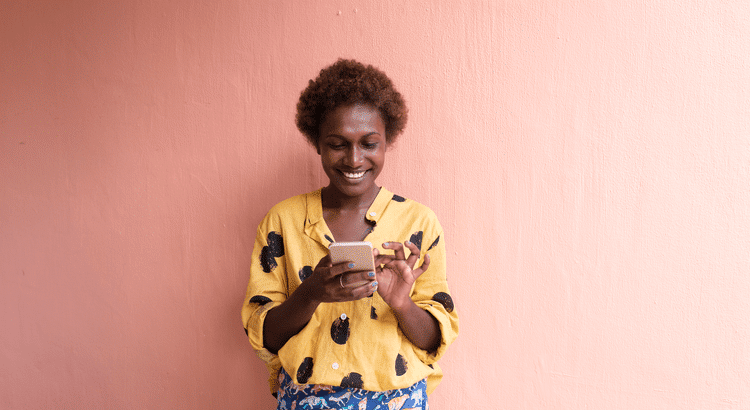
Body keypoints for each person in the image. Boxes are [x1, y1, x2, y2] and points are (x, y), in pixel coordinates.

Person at [241, 59, 458, 410]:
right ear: (317, 143)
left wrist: (401, 303)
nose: (354, 160)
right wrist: (311, 292)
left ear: (387, 142)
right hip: (305, 399)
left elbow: (434, 340)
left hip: (397, 400)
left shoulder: (419, 223)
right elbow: (264, 336)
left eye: (369, 144)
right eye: (338, 144)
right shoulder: (282, 221)